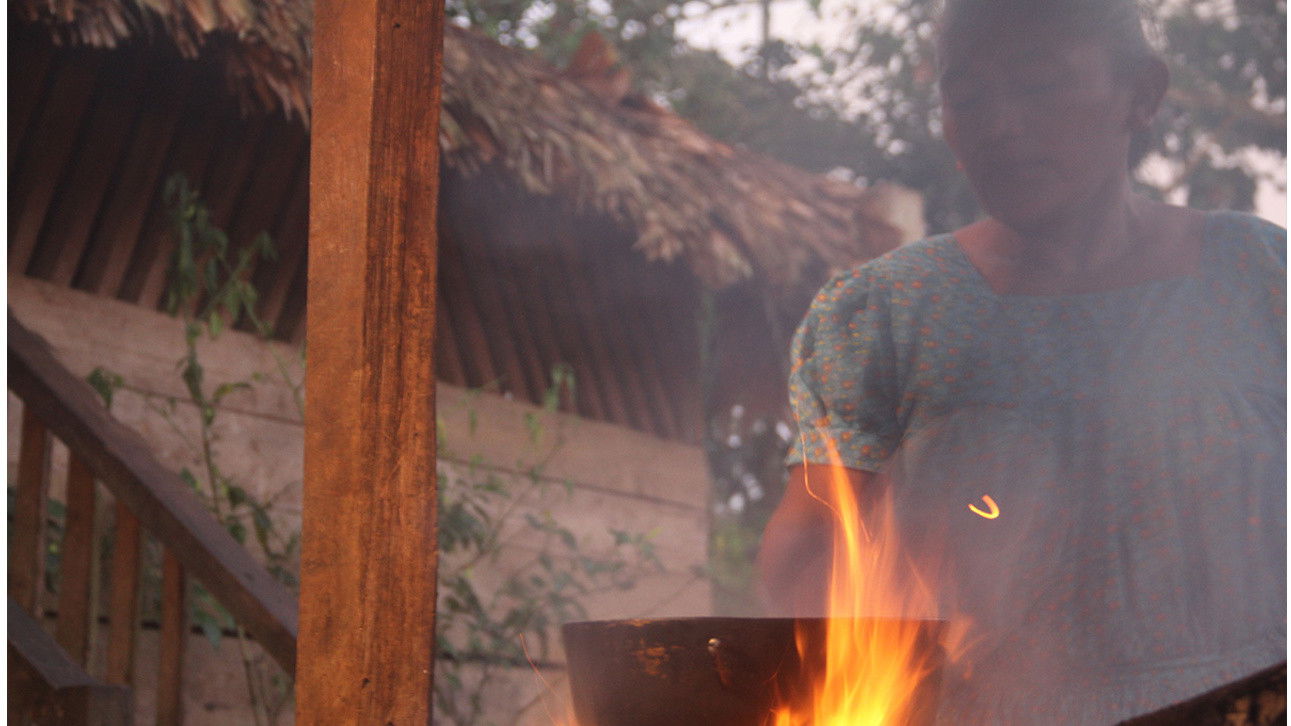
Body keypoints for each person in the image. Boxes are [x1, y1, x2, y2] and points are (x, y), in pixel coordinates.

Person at [756, 0, 1286, 723]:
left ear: (1141, 93)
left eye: (1039, 84)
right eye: (965, 96)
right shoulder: (887, 312)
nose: (998, 126)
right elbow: (807, 549)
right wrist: (910, 576)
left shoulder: (1261, 279)